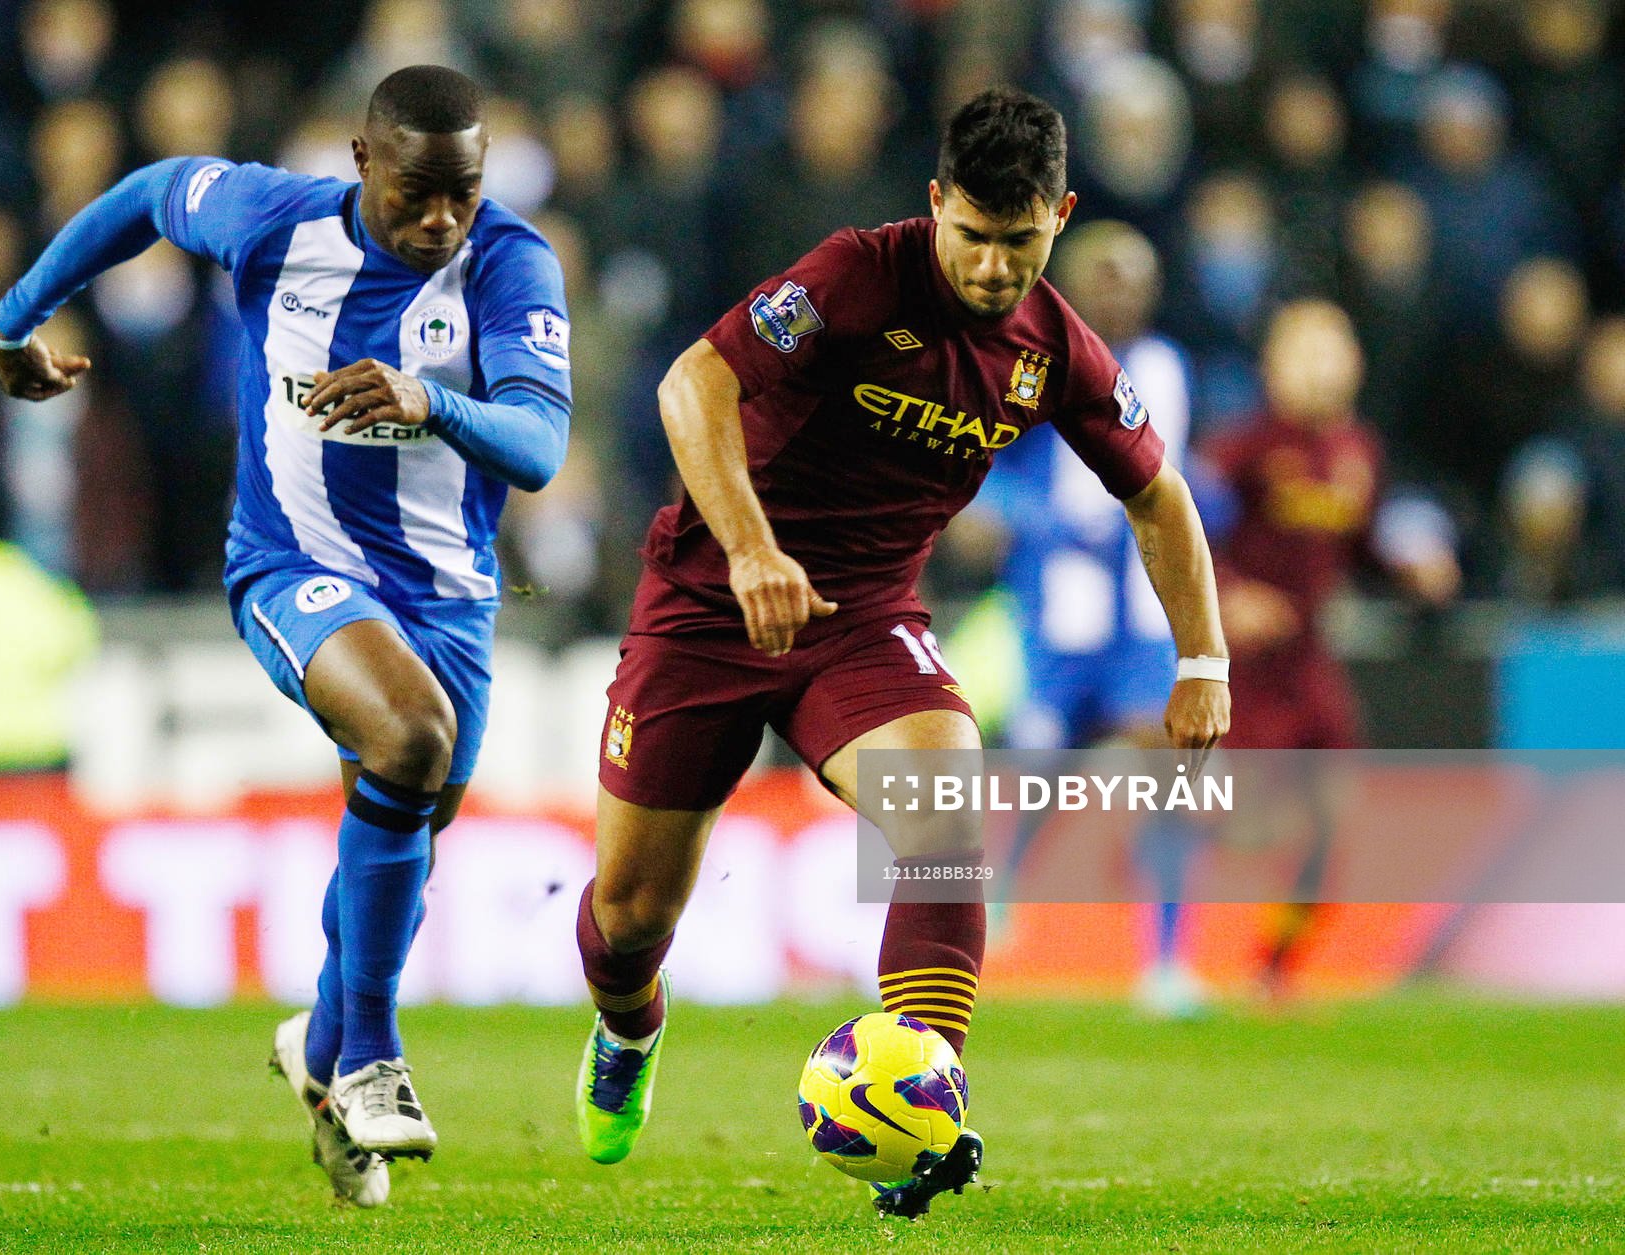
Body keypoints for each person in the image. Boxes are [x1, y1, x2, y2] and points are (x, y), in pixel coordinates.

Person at [571, 87, 1230, 1218]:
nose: (988, 268)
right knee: (631, 919)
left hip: (866, 621)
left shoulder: (1054, 349)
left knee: (944, 814)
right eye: (971, 235)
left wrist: (1203, 660)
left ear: (1060, 217)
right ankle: (628, 1028)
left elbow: (1157, 494)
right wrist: (748, 548)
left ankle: (923, 1097)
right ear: (936, 204)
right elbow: (697, 382)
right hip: (709, 601)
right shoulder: (856, 275)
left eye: (1018, 243)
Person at [0, 65, 571, 1209]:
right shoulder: (276, 220)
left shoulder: (511, 263)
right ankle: (369, 1061)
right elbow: (151, 193)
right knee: (410, 740)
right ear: (360, 163)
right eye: (417, 196)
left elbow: (539, 445)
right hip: (291, 564)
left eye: (463, 193)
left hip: (448, 594)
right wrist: (14, 318)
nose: (441, 219)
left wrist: (430, 399)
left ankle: (321, 1042)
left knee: (414, 801)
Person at [974, 220, 1210, 1019]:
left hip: (1144, 623)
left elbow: (1196, 477)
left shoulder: (1174, 369)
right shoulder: (1030, 363)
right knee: (1045, 775)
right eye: (1103, 274)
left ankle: (1168, 959)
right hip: (1061, 619)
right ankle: (997, 895)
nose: (1120, 289)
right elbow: (986, 474)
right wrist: (1051, 521)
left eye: (1133, 274)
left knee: (1168, 772)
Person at [1200, 299, 1457, 996]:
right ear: (1273, 366)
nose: (1320, 367)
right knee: (1248, 825)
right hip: (1242, 669)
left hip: (1310, 661)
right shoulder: (1239, 450)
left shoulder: (1357, 452)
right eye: (1304, 351)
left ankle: (1274, 969)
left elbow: (1363, 542)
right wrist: (1227, 593)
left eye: (1332, 350)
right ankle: (1158, 846)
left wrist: (1410, 567)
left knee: (1331, 818)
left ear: (1355, 363)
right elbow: (1181, 530)